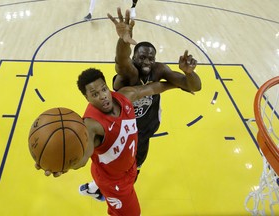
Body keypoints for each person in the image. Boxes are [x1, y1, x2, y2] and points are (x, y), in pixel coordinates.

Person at [79, 8, 202, 200]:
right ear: (134, 58)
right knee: (111, 165)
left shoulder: (160, 70)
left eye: (150, 58)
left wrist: (188, 73)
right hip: (121, 128)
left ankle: (112, 190)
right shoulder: (128, 74)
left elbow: (195, 86)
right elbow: (121, 62)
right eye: (141, 57)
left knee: (134, 167)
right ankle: (102, 189)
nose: (146, 61)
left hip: (144, 129)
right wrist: (123, 40)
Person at [36, 68, 176, 215]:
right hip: (115, 183)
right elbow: (82, 159)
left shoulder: (124, 96)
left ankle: (93, 189)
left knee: (101, 171)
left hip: (117, 167)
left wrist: (180, 84)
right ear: (86, 97)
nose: (103, 96)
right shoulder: (91, 126)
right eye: (95, 94)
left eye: (104, 89)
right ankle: (100, 189)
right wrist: (60, 166)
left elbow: (152, 88)